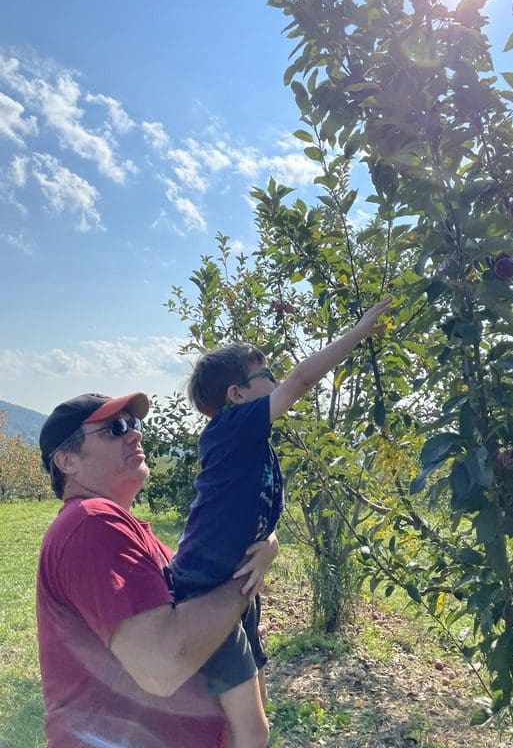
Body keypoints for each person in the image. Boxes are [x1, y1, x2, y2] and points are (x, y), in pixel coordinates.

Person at [170, 298, 391, 748]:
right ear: (237, 395)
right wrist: (358, 333)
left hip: (236, 588)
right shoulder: (232, 429)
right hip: (205, 591)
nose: (276, 381)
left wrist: (270, 544)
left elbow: (257, 515)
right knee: (252, 732)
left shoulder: (254, 445)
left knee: (253, 712)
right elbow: (303, 379)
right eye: (265, 375)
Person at [36, 391, 278, 748]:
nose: (134, 434)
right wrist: (242, 585)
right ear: (67, 460)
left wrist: (263, 547)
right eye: (115, 428)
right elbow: (162, 665)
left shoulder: (123, 530)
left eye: (133, 424)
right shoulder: (91, 523)